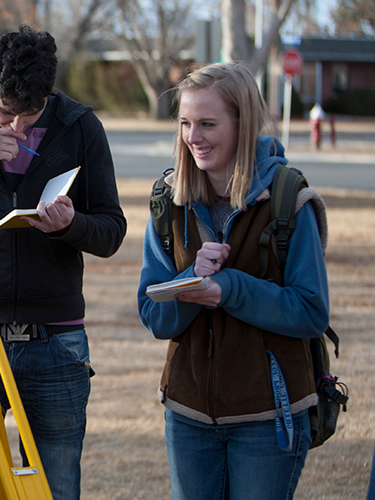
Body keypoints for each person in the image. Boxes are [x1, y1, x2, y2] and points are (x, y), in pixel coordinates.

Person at [0, 25, 126, 499]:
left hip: (55, 338)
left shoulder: (78, 127)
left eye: (30, 116)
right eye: (5, 114)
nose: (17, 129)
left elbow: (112, 231)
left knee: (55, 486)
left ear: (50, 95)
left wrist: (71, 226)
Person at [137, 63, 329, 500]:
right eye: (185, 123)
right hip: (187, 416)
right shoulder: (169, 199)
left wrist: (231, 289)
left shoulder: (288, 200)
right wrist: (191, 282)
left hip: (269, 415)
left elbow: (311, 311)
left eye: (208, 123)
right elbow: (154, 316)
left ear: (243, 124)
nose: (193, 136)